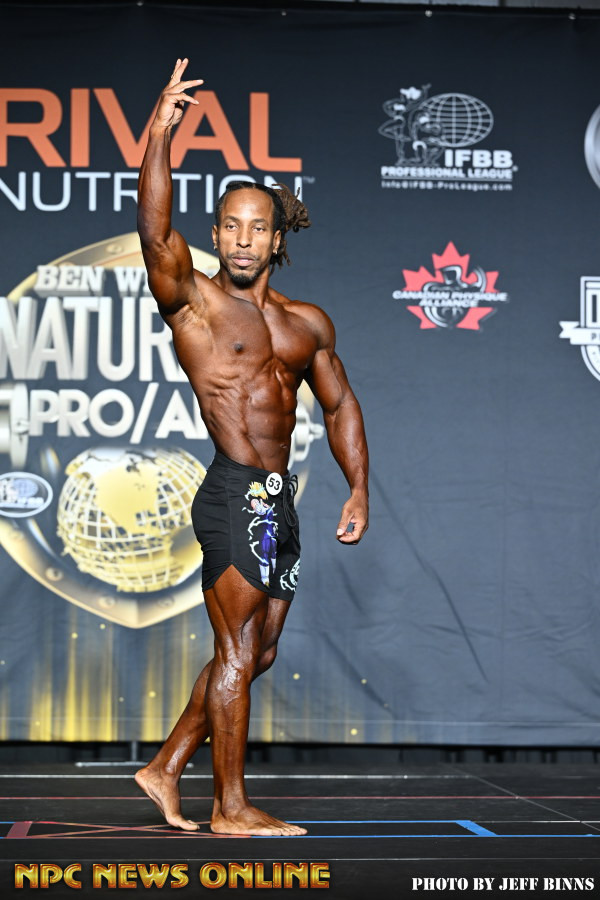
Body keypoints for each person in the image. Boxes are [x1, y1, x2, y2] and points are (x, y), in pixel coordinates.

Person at [135, 58, 369, 837]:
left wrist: (359, 486)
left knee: (258, 653)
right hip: (234, 490)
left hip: (279, 501)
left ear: (277, 237)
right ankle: (229, 807)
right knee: (236, 649)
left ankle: (165, 766)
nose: (242, 239)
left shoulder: (307, 324)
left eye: (256, 227)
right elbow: (154, 230)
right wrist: (160, 135)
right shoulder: (194, 303)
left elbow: (339, 404)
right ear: (215, 235)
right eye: (229, 226)